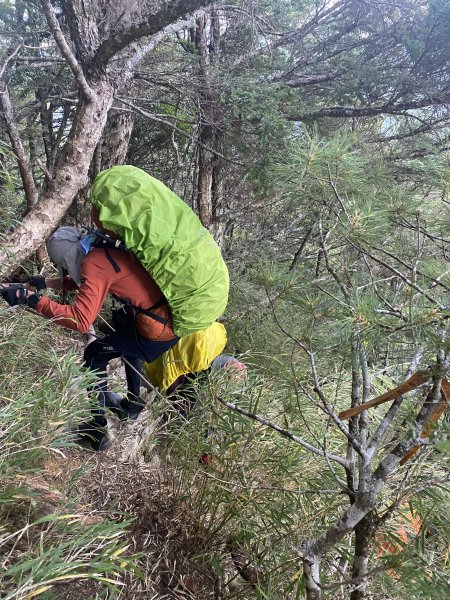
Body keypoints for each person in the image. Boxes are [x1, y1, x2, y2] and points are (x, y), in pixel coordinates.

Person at [1, 226, 179, 451]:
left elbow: (81, 321)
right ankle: (132, 406)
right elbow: (84, 281)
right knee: (121, 344)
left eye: (64, 263)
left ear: (67, 255)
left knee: (94, 353)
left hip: (156, 331)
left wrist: (34, 301)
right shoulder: (100, 250)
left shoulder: (93, 262)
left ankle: (97, 430)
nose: (65, 268)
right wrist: (44, 283)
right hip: (163, 323)